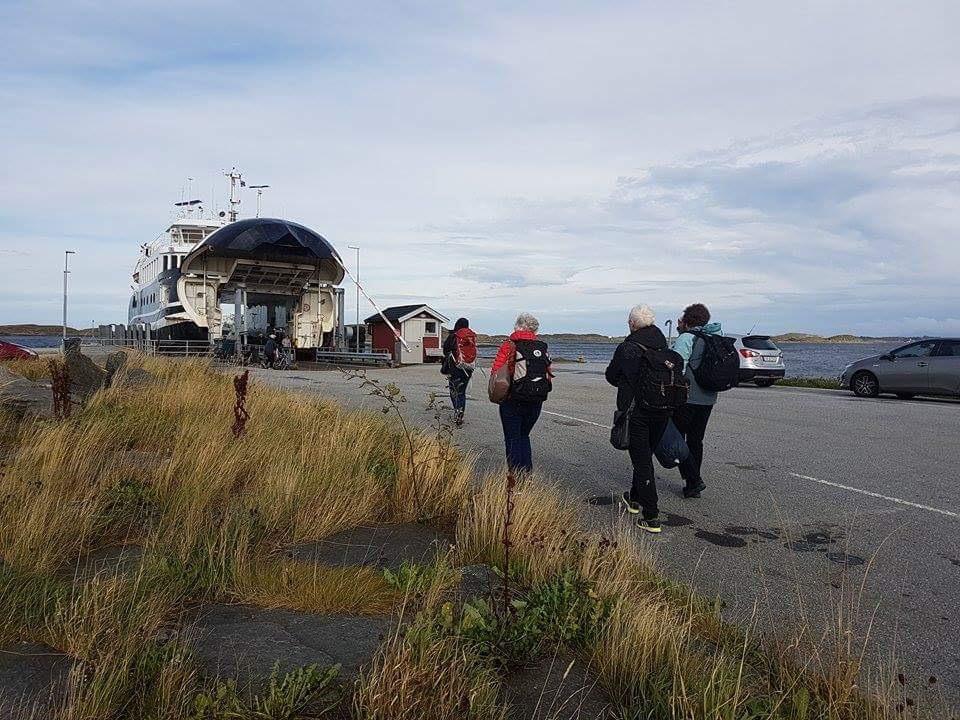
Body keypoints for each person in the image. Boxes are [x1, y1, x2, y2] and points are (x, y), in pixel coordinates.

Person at [605, 304, 671, 533]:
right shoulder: (663, 345)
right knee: (644, 454)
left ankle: (651, 515)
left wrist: (627, 384)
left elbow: (611, 375)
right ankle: (634, 498)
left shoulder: (628, 347)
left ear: (633, 323)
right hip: (663, 408)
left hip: (637, 411)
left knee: (642, 461)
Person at [490, 312, 552, 473]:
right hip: (536, 399)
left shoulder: (509, 345)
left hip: (513, 399)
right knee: (524, 436)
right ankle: (526, 475)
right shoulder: (541, 348)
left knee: (512, 439)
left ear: (517, 326)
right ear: (535, 331)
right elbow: (548, 375)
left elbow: (497, 371)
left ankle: (515, 480)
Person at [671, 303, 721, 499]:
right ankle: (692, 484)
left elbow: (677, 366)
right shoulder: (714, 336)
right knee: (696, 440)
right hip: (709, 397)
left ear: (687, 320)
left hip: (688, 396)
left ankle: (694, 479)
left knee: (676, 436)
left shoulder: (686, 338)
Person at [442, 317, 476, 426]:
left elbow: (445, 350)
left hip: (455, 367)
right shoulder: (471, 337)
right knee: (462, 392)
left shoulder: (454, 336)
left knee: (454, 390)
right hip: (468, 368)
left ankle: (457, 411)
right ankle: (460, 412)